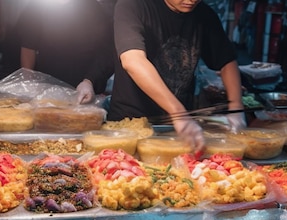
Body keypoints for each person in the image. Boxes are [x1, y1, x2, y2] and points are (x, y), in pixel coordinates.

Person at [107, 0, 246, 152]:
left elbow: (226, 61)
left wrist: (236, 108)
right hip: (129, 125)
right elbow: (133, 60)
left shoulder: (204, 14)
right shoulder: (133, 5)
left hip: (176, 130)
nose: (192, 0)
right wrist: (178, 112)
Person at [17, 0, 114, 104]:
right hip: (47, 89)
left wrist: (89, 82)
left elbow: (107, 53)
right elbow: (29, 46)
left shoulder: (99, 9)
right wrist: (27, 84)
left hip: (87, 90)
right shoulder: (37, 7)